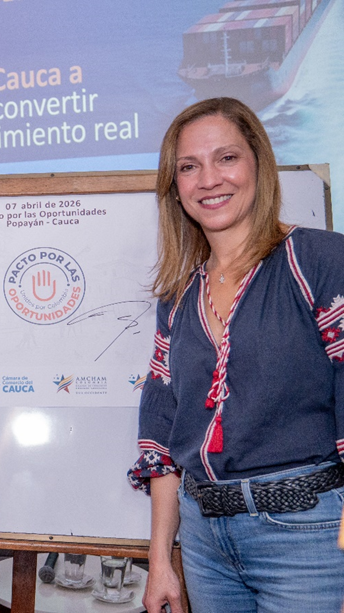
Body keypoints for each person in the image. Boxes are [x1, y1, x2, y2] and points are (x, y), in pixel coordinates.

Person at [128, 96, 344, 613]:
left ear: (258, 164)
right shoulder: (178, 294)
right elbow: (163, 429)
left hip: (307, 536)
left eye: (226, 158)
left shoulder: (320, 258)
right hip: (204, 543)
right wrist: (161, 560)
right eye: (189, 167)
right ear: (174, 187)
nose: (209, 180)